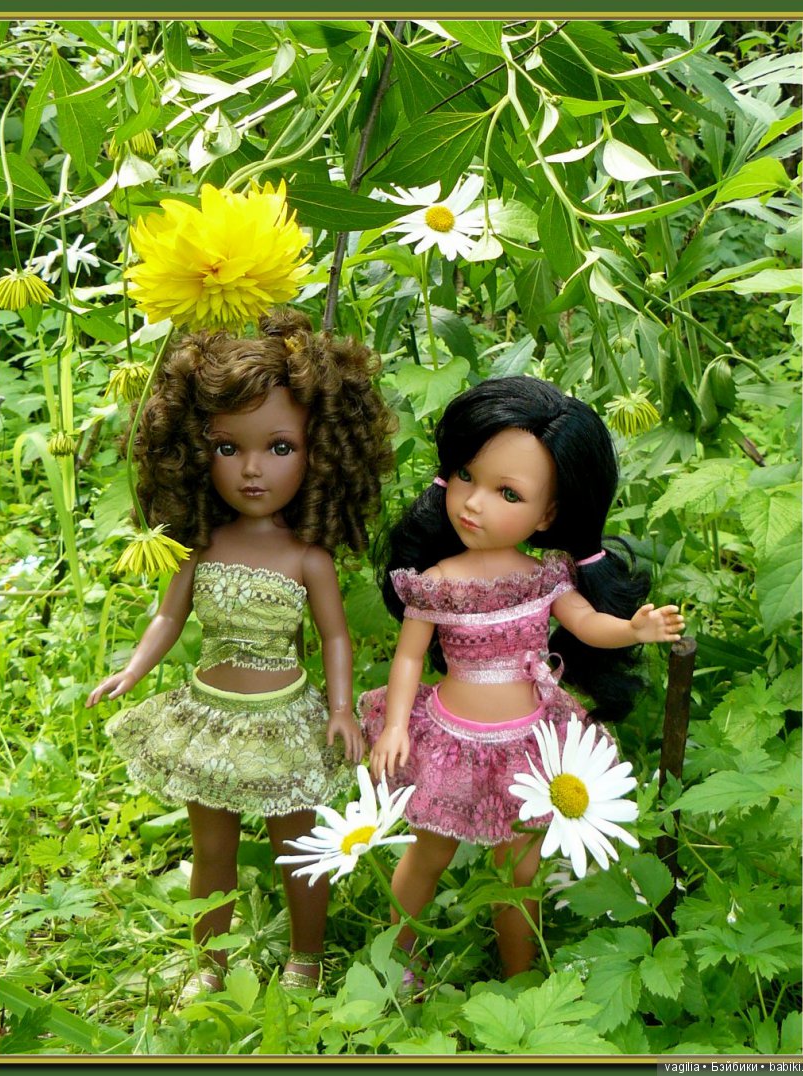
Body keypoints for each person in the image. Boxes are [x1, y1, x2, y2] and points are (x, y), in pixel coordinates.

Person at [87, 309, 395, 995]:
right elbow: (169, 616)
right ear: (197, 451)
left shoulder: (307, 558)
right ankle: (210, 963)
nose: (253, 470)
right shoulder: (201, 546)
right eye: (229, 448)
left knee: (298, 847)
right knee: (211, 849)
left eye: (280, 447)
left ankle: (306, 957)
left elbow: (335, 635)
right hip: (210, 718)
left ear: (320, 452)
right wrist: (133, 668)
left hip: (284, 721)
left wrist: (340, 708)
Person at [360, 376, 684, 979]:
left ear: (548, 513)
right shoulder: (435, 583)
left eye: (507, 493)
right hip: (453, 740)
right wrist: (396, 724)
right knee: (428, 851)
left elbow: (585, 624)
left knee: (521, 870)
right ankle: (398, 960)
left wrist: (632, 629)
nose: (473, 503)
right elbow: (408, 659)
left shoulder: (544, 577)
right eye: (466, 476)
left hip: (531, 745)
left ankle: (520, 972)